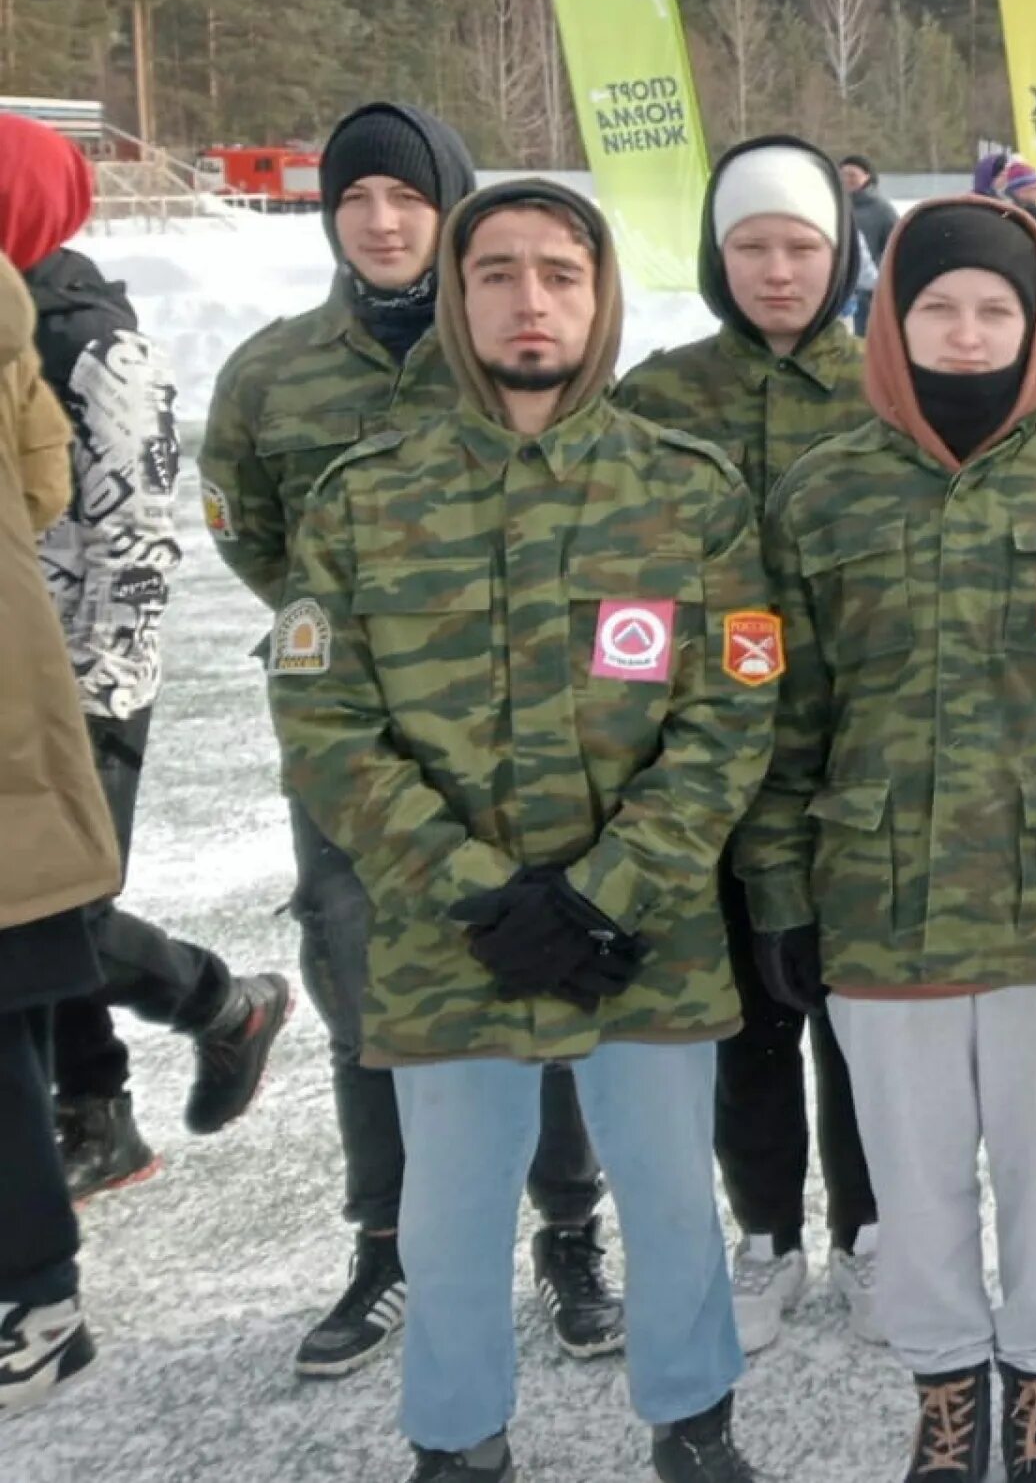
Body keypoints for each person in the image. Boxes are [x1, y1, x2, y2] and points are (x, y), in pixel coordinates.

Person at [269, 180, 776, 1483]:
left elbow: (731, 713)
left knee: (671, 1206)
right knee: (448, 1220)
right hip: (453, 937)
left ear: (601, 296)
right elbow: (325, 721)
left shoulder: (687, 491)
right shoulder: (364, 499)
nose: (531, 299)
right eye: (498, 272)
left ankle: (694, 1426)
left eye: (561, 272)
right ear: (457, 292)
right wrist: (472, 885)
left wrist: (612, 888)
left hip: (644, 936)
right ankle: (457, 1443)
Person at [746, 194, 1036, 1483]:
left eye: (995, 308)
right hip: (880, 905)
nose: (965, 332)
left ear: (1032, 324)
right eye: (936, 307)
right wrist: (779, 887)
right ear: (890, 319)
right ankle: (948, 1394)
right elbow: (784, 720)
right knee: (916, 1179)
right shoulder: (818, 499)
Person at [200, 103, 618, 1381]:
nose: (382, 224)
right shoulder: (271, 374)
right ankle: (384, 1244)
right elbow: (254, 534)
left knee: (543, 960)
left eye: (409, 201)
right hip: (352, 746)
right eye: (356, 201)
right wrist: (364, 645)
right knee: (362, 979)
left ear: (451, 213)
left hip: (524, 731)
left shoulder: (507, 344)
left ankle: (567, 1233)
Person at [615, 137, 879, 1352]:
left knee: (860, 1007)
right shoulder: (659, 398)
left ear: (839, 257)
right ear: (720, 262)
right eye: (752, 248)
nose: (779, 271)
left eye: (803, 248)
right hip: (705, 764)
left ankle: (874, 1231)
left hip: (856, 762)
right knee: (746, 1011)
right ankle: (765, 1229)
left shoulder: (891, 379)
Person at [0, 115, 289, 1197]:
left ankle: (224, 1003)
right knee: (23, 906)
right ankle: (97, 1112)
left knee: (56, 911)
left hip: (78, 676)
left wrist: (96, 693)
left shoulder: (91, 340)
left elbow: (137, 538)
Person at [0, 165, 124, 1423]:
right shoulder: (16, 322)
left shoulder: (70, 329)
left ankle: (36, 1289)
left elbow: (108, 515)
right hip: (29, 686)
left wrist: (106, 679)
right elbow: (39, 493)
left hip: (46, 698)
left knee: (30, 986)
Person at [838, 156, 895, 337]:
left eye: (852, 174)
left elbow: (893, 246)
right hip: (839, 290)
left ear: (867, 176)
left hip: (868, 292)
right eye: (843, 175)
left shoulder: (881, 209)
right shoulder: (834, 204)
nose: (847, 179)